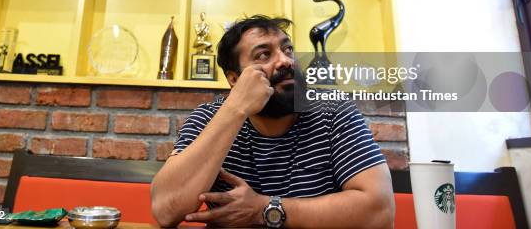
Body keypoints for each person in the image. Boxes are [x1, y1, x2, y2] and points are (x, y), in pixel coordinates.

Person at [151, 15, 394, 228]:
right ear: (234, 79)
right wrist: (236, 108)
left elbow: (380, 212)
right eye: (264, 54)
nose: (286, 61)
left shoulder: (333, 111)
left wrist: (264, 210)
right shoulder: (208, 118)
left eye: (288, 50)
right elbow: (166, 210)